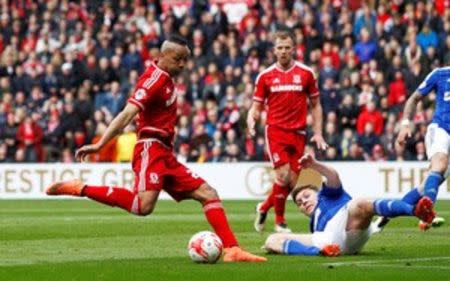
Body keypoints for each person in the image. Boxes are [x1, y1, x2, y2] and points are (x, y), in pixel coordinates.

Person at [46, 35, 266, 263]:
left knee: (208, 193)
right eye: (178, 59)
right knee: (142, 206)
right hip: (150, 147)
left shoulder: (168, 78)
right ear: (162, 56)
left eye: (185, 60)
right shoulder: (153, 79)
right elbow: (127, 114)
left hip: (165, 152)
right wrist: (101, 144)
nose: (182, 64)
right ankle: (80, 188)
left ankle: (232, 249)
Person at [263, 153, 435, 256]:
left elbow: (333, 176)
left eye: (306, 196)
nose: (304, 202)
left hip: (345, 226)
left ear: (317, 193)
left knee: (361, 205)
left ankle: (416, 211)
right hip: (331, 241)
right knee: (271, 240)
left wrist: (315, 165)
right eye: (299, 203)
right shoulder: (313, 225)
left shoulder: (327, 195)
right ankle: (321, 252)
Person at [247, 29, 328, 233]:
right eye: (279, 48)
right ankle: (279, 222)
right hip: (275, 131)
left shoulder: (306, 73)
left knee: (292, 183)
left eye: (287, 47)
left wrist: (318, 133)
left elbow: (316, 105)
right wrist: (251, 118)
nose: (283, 51)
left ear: (294, 49)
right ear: (274, 50)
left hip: (299, 133)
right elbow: (255, 106)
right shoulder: (265, 76)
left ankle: (264, 207)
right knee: (282, 176)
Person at [396, 66, 450, 229]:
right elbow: (414, 98)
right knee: (440, 164)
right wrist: (405, 125)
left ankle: (385, 215)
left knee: (425, 186)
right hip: (441, 129)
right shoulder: (440, 74)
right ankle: (428, 214)